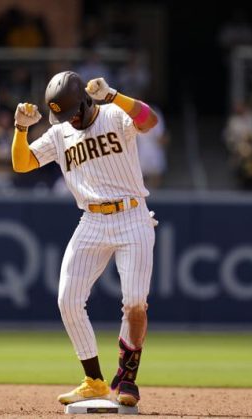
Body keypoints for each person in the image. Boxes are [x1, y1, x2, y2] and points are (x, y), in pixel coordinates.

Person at [11, 71, 158, 407]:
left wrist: (115, 95)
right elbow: (22, 163)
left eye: (71, 112)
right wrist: (20, 129)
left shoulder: (114, 115)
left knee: (135, 303)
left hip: (132, 215)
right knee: (67, 300)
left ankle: (127, 378)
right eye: (62, 115)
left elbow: (149, 121)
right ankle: (93, 380)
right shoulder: (60, 133)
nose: (68, 120)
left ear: (86, 101)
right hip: (91, 219)